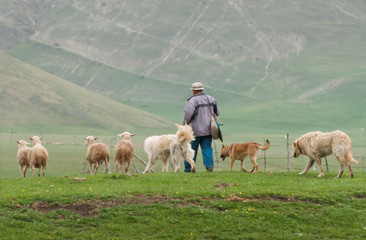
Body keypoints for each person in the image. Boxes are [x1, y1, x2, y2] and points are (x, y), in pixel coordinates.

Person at [183, 82, 220, 172]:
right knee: (207, 147)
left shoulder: (192, 101)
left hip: (194, 130)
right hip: (209, 129)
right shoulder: (211, 99)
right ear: (202, 89)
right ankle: (209, 167)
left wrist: (185, 125)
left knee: (190, 149)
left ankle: (189, 169)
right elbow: (217, 112)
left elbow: (188, 115)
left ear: (194, 91)